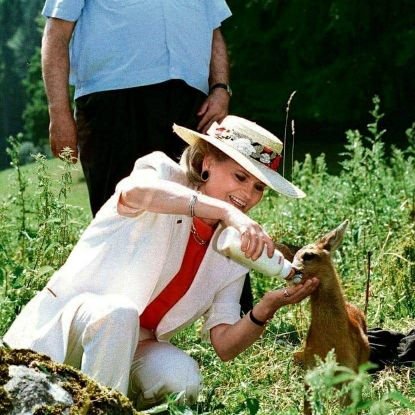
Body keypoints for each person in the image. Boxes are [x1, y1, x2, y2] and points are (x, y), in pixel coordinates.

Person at [4, 116, 319, 409]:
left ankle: (105, 403)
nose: (248, 195)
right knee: (119, 314)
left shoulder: (234, 249)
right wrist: (224, 211)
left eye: (259, 187)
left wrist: (266, 308)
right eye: (241, 177)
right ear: (208, 162)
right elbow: (133, 191)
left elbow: (224, 344)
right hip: (70, 328)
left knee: (183, 378)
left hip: (135, 346)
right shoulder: (163, 173)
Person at [41, 0, 233, 216]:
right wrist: (58, 113)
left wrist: (220, 88)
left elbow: (213, 29)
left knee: (191, 211)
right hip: (113, 103)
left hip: (191, 105)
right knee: (120, 213)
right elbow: (56, 33)